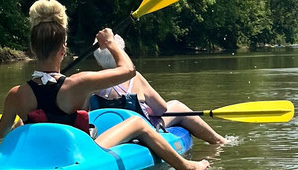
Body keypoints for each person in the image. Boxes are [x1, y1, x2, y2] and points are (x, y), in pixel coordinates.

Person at [0, 0, 209, 170]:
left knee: (21, 126)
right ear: (63, 50)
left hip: (40, 154)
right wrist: (111, 43)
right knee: (138, 123)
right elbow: (128, 70)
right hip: (79, 154)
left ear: (32, 49)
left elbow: (0, 133)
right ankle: (187, 167)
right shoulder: (77, 83)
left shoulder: (16, 95)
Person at [89, 34, 226, 145]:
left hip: (106, 131)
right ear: (123, 55)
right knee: (177, 106)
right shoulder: (134, 78)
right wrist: (150, 110)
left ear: (98, 61)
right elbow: (161, 108)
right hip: (141, 129)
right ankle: (219, 141)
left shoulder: (90, 82)